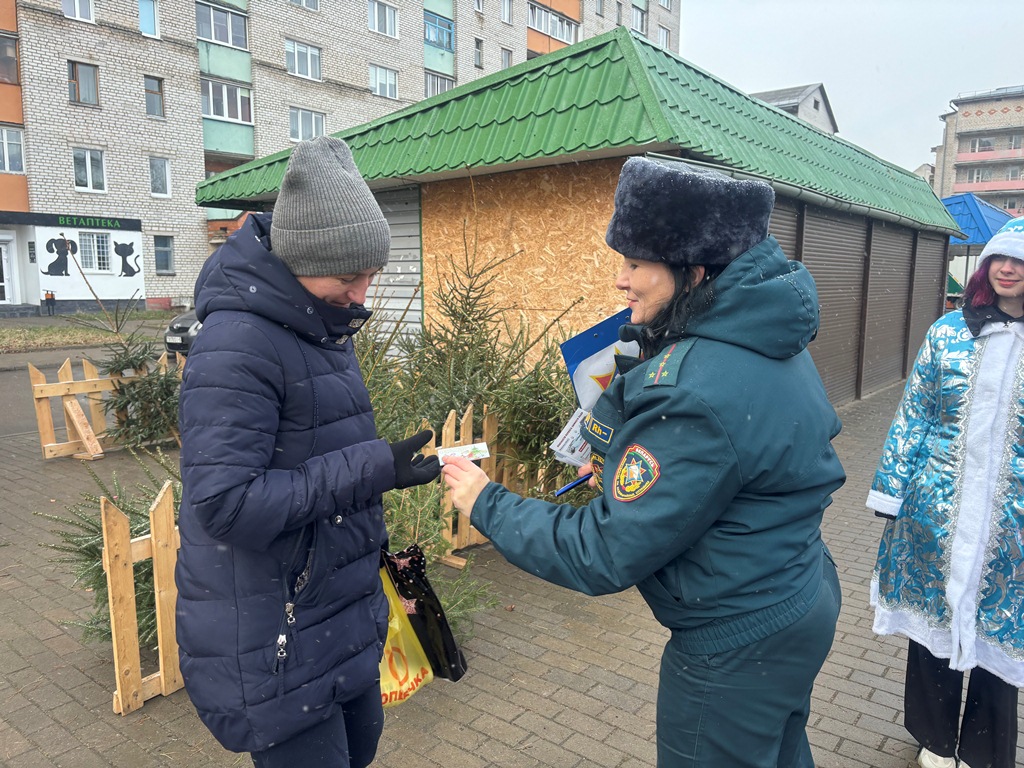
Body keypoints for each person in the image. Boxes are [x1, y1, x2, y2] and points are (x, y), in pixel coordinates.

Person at [443, 157, 845, 767]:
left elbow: (605, 551)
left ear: (696, 269)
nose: (620, 281)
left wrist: (486, 502)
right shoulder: (764, 335)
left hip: (734, 643)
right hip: (794, 592)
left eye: (636, 264)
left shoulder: (692, 387)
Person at [174, 136, 441, 767]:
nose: (363, 295)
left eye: (369, 275)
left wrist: (379, 473)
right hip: (276, 641)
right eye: (350, 278)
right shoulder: (237, 345)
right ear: (299, 261)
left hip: (335, 618)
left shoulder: (322, 324)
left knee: (362, 752)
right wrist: (373, 467)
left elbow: (315, 454)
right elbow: (226, 504)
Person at [868, 216, 1024, 768]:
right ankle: (935, 741)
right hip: (935, 509)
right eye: (1000, 258)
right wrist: (892, 492)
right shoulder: (949, 331)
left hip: (1012, 522)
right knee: (931, 629)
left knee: (999, 636)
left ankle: (983, 750)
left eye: (1021, 261)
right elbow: (914, 414)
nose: (1008, 269)